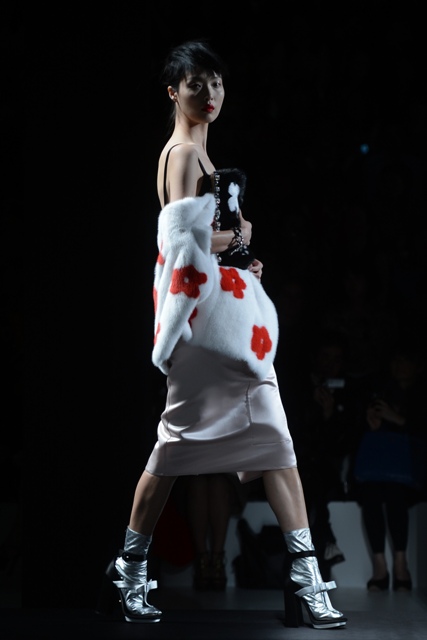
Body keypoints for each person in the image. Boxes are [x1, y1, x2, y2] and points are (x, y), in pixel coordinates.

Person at [97, 38, 347, 630]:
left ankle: (305, 578)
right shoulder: (183, 153)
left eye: (216, 83)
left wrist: (237, 263)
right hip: (204, 330)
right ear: (173, 91)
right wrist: (235, 241)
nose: (209, 93)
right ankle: (128, 569)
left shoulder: (201, 156)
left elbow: (201, 251)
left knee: (275, 444)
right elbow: (178, 248)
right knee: (175, 448)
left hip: (225, 324)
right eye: (196, 83)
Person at [355, 338, 427, 592]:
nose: (399, 366)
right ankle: (380, 566)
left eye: (405, 361)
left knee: (395, 493)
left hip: (414, 472)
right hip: (382, 471)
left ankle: (400, 563)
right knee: (371, 493)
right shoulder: (382, 392)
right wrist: (374, 425)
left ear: (417, 366)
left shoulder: (421, 395)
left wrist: (398, 419)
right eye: (396, 361)